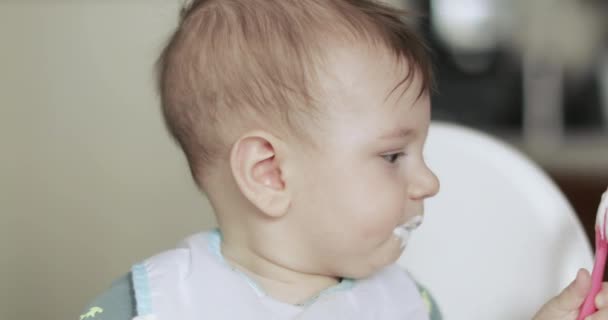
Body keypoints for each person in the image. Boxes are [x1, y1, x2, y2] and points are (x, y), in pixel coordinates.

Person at [80, 1, 608, 319]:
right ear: (270, 172)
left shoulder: (405, 304)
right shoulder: (160, 304)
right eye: (394, 155)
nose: (429, 181)